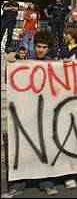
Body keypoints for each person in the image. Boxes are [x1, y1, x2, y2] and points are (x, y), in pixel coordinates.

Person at [4, 31, 59, 197]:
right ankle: (19, 183)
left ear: (48, 49)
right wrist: (11, 62)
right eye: (38, 46)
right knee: (24, 146)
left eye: (44, 47)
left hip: (46, 112)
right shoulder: (24, 63)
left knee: (45, 147)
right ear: (34, 47)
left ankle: (47, 182)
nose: (41, 49)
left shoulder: (53, 65)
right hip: (26, 112)